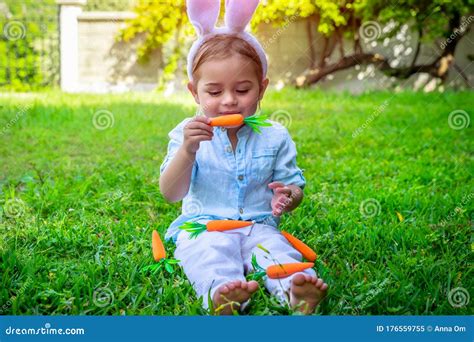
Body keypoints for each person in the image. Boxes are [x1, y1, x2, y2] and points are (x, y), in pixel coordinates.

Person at [159, 0, 327, 315]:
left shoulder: (276, 136)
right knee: (208, 254)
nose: (228, 101)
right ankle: (223, 295)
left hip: (259, 225)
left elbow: (293, 187)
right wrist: (187, 151)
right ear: (194, 92)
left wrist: (289, 196)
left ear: (261, 89)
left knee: (277, 252)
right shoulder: (186, 134)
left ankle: (296, 290)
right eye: (214, 92)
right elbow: (170, 193)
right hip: (203, 226)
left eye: (242, 89)